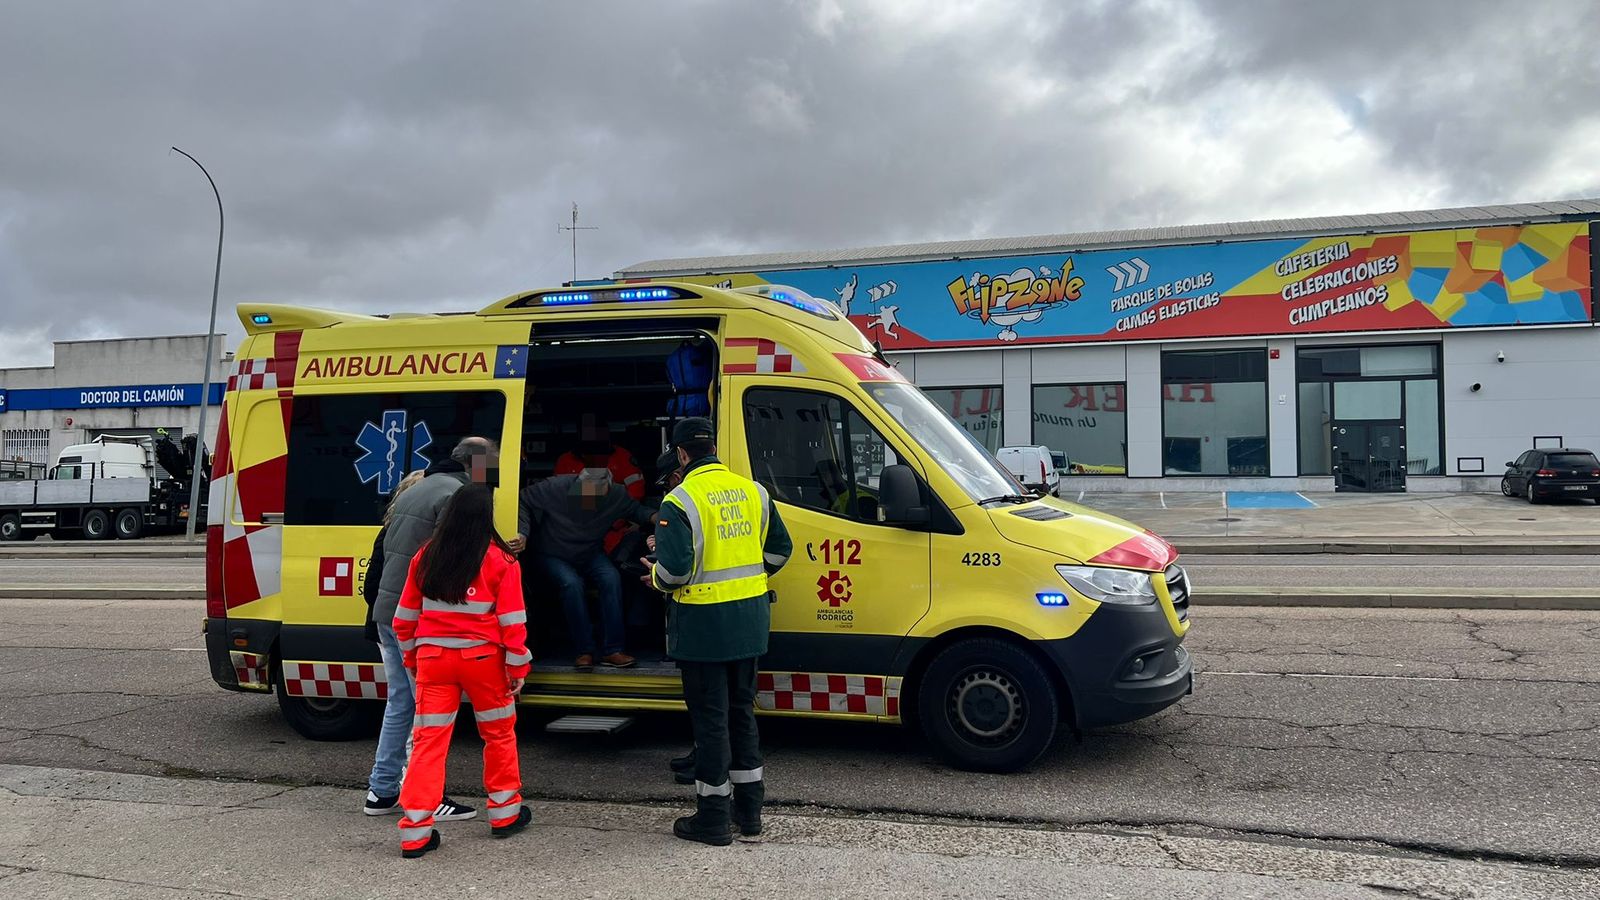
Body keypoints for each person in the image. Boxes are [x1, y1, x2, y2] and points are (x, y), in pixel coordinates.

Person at [645, 417, 792, 845]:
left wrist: (653, 576)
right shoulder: (754, 491)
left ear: (681, 454)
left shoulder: (680, 500)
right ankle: (749, 814)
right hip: (749, 623)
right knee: (742, 714)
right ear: (712, 447)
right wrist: (747, 581)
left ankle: (712, 818)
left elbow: (674, 573)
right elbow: (780, 551)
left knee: (711, 723)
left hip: (703, 629)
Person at [392, 484, 532, 858]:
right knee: (498, 734)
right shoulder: (502, 561)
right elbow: (513, 624)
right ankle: (504, 814)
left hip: (433, 661)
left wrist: (412, 659)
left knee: (428, 742)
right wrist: (518, 666)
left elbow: (403, 620)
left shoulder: (426, 556)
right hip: (484, 663)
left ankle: (415, 833)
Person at [364, 436, 498, 821]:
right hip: (420, 618)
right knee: (427, 711)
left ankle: (382, 790)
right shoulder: (457, 496)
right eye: (492, 463)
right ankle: (425, 796)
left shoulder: (417, 488)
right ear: (476, 464)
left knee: (400, 704)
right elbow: (450, 561)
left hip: (389, 611)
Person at [514, 465, 655, 669]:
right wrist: (523, 532)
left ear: (607, 490)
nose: (589, 499)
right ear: (577, 484)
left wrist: (658, 516)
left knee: (611, 578)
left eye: (596, 495)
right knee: (571, 584)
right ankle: (584, 651)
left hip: (590, 552)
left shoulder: (616, 494)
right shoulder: (556, 487)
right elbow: (521, 499)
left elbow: (636, 511)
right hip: (553, 552)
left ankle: (613, 650)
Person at [362, 469, 426, 643]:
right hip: (402, 623)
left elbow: (372, 585)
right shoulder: (424, 534)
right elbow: (372, 584)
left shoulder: (390, 529)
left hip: (387, 621)